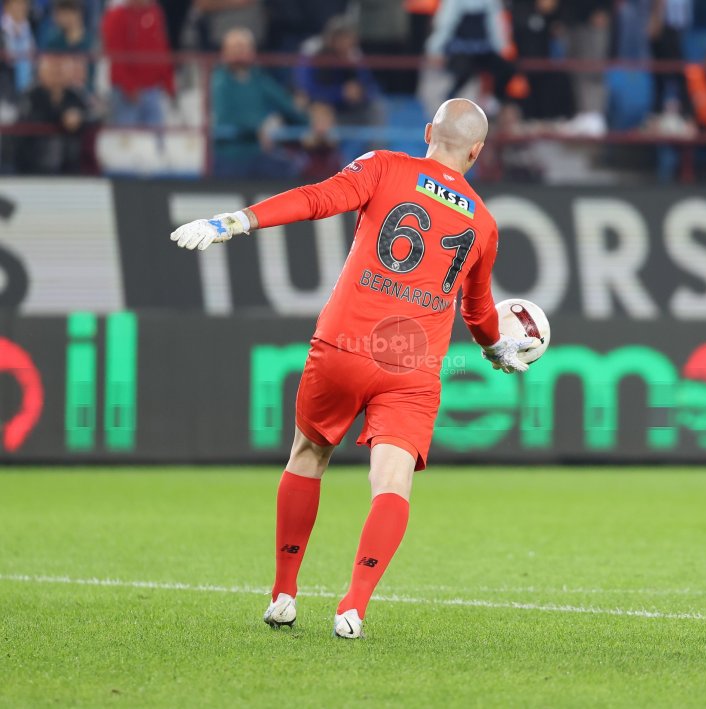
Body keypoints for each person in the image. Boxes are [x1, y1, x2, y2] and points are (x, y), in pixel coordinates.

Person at [169, 98, 539, 639]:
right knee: (392, 481)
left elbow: (317, 199)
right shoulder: (482, 223)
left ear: (428, 131)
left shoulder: (385, 166)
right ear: (477, 152)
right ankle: (354, 606)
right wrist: (494, 348)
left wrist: (237, 220)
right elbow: (479, 310)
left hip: (344, 344)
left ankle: (283, 594)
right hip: (412, 366)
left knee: (308, 455)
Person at [212, 27, 306, 178]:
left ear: (252, 51)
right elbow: (224, 117)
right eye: (235, 47)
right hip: (230, 154)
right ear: (224, 52)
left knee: (293, 169)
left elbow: (288, 106)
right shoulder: (218, 81)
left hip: (259, 152)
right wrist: (260, 126)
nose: (239, 52)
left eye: (243, 47)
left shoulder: (259, 79)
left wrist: (313, 120)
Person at [294, 15, 381, 125]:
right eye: (341, 38)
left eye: (349, 38)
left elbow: (370, 87)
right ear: (331, 39)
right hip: (318, 106)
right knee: (305, 104)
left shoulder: (354, 54)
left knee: (377, 108)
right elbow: (305, 90)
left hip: (344, 109)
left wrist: (360, 93)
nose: (345, 43)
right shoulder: (313, 51)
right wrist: (341, 93)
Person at [101, 0, 174, 127]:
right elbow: (115, 56)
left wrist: (169, 82)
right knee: (128, 135)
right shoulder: (116, 16)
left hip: (153, 88)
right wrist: (129, 86)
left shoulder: (154, 12)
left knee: (156, 135)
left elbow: (161, 48)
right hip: (125, 93)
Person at [426, 0, 515, 102]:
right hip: (460, 50)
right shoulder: (453, 2)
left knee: (506, 69)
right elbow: (445, 23)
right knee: (464, 70)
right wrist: (435, 49)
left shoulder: (490, 2)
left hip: (483, 50)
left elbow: (495, 24)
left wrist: (501, 47)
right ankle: (450, 99)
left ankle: (493, 101)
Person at [15, 52, 88, 173]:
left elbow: (93, 116)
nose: (57, 71)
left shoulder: (76, 97)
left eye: (61, 66)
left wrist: (80, 118)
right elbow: (28, 122)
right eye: (52, 66)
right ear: (40, 71)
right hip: (34, 166)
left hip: (70, 167)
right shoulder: (30, 96)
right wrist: (62, 117)